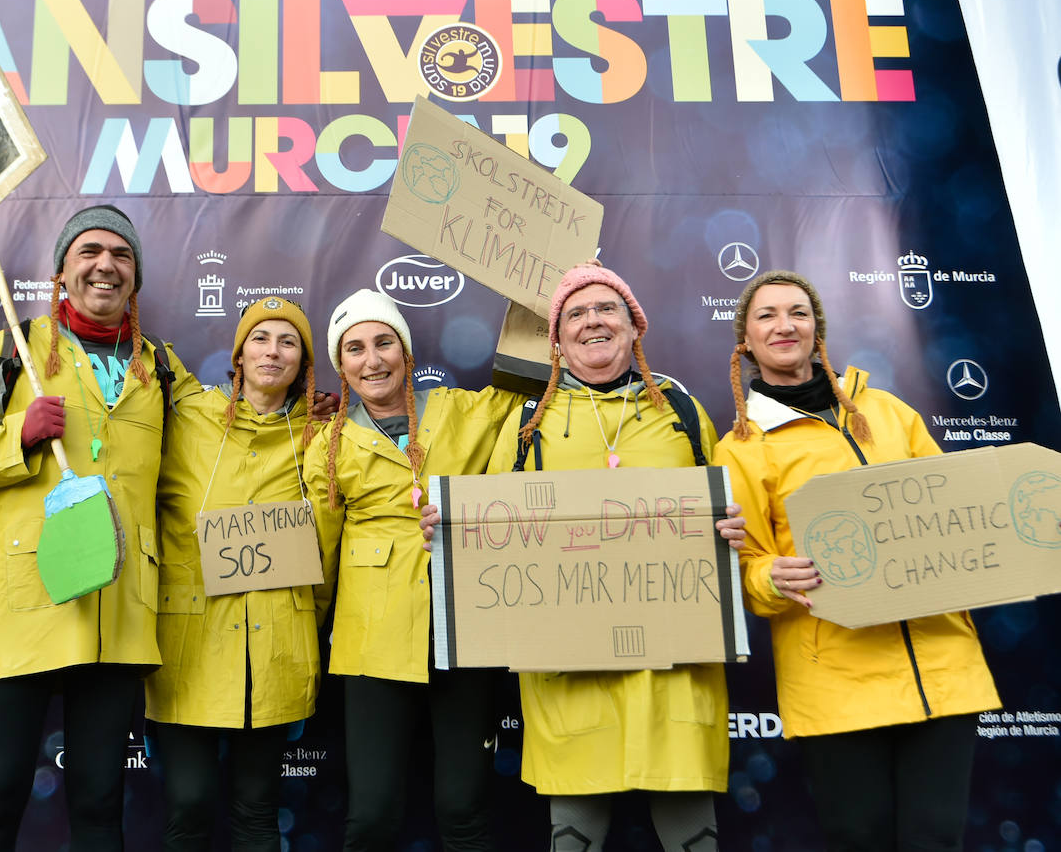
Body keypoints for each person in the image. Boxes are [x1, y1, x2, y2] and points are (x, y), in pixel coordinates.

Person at [0, 204, 194, 852]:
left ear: (136, 276)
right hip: (26, 608)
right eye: (90, 252)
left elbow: (230, 437)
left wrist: (304, 417)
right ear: (63, 270)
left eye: (122, 255)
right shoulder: (12, 351)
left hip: (118, 610)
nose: (106, 265)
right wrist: (17, 434)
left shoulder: (161, 368)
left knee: (101, 803)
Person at [456, 260, 741, 851]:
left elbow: (725, 505)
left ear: (634, 326)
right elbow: (489, 535)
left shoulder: (682, 412)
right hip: (570, 665)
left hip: (674, 661)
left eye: (608, 308)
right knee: (574, 832)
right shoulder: (525, 425)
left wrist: (732, 527)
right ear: (557, 339)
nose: (593, 321)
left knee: (693, 828)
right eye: (577, 313)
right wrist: (450, 525)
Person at [713, 270, 1000, 852]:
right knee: (858, 838)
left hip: (941, 667)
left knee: (935, 839)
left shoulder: (890, 413)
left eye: (797, 311)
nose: (784, 324)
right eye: (766, 315)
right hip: (835, 677)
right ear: (745, 340)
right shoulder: (739, 447)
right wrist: (772, 576)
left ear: (817, 326)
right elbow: (744, 572)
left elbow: (954, 511)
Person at [303, 288, 524, 852]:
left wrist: (560, 290)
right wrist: (306, 636)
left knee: (464, 807)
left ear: (405, 350)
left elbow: (533, 377)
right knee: (372, 814)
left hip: (463, 633)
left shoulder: (463, 409)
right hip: (371, 643)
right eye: (354, 349)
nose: (372, 360)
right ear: (340, 364)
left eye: (384, 343)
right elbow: (318, 556)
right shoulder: (328, 444)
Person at [147, 296, 338, 852]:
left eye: (288, 342)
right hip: (190, 646)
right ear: (238, 353)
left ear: (303, 363)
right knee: (188, 806)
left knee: (257, 811)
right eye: (260, 338)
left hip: (275, 651)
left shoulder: (323, 436)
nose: (272, 352)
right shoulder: (188, 414)